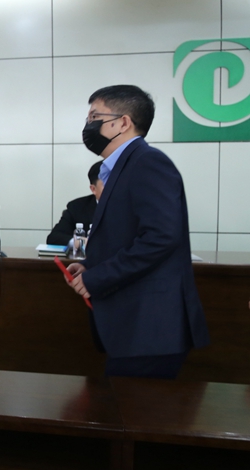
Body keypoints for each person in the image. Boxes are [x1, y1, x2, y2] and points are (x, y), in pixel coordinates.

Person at [65, 85, 209, 379]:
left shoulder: (148, 162)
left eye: (95, 117)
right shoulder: (121, 167)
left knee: (131, 405)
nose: (88, 125)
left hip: (150, 327)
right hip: (135, 326)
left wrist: (99, 278)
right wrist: (91, 265)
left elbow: (160, 237)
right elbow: (126, 236)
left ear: (123, 122)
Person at [46, 161, 104, 245]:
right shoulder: (77, 207)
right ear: (93, 189)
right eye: (108, 184)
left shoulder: (124, 206)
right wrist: (80, 243)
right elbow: (54, 237)